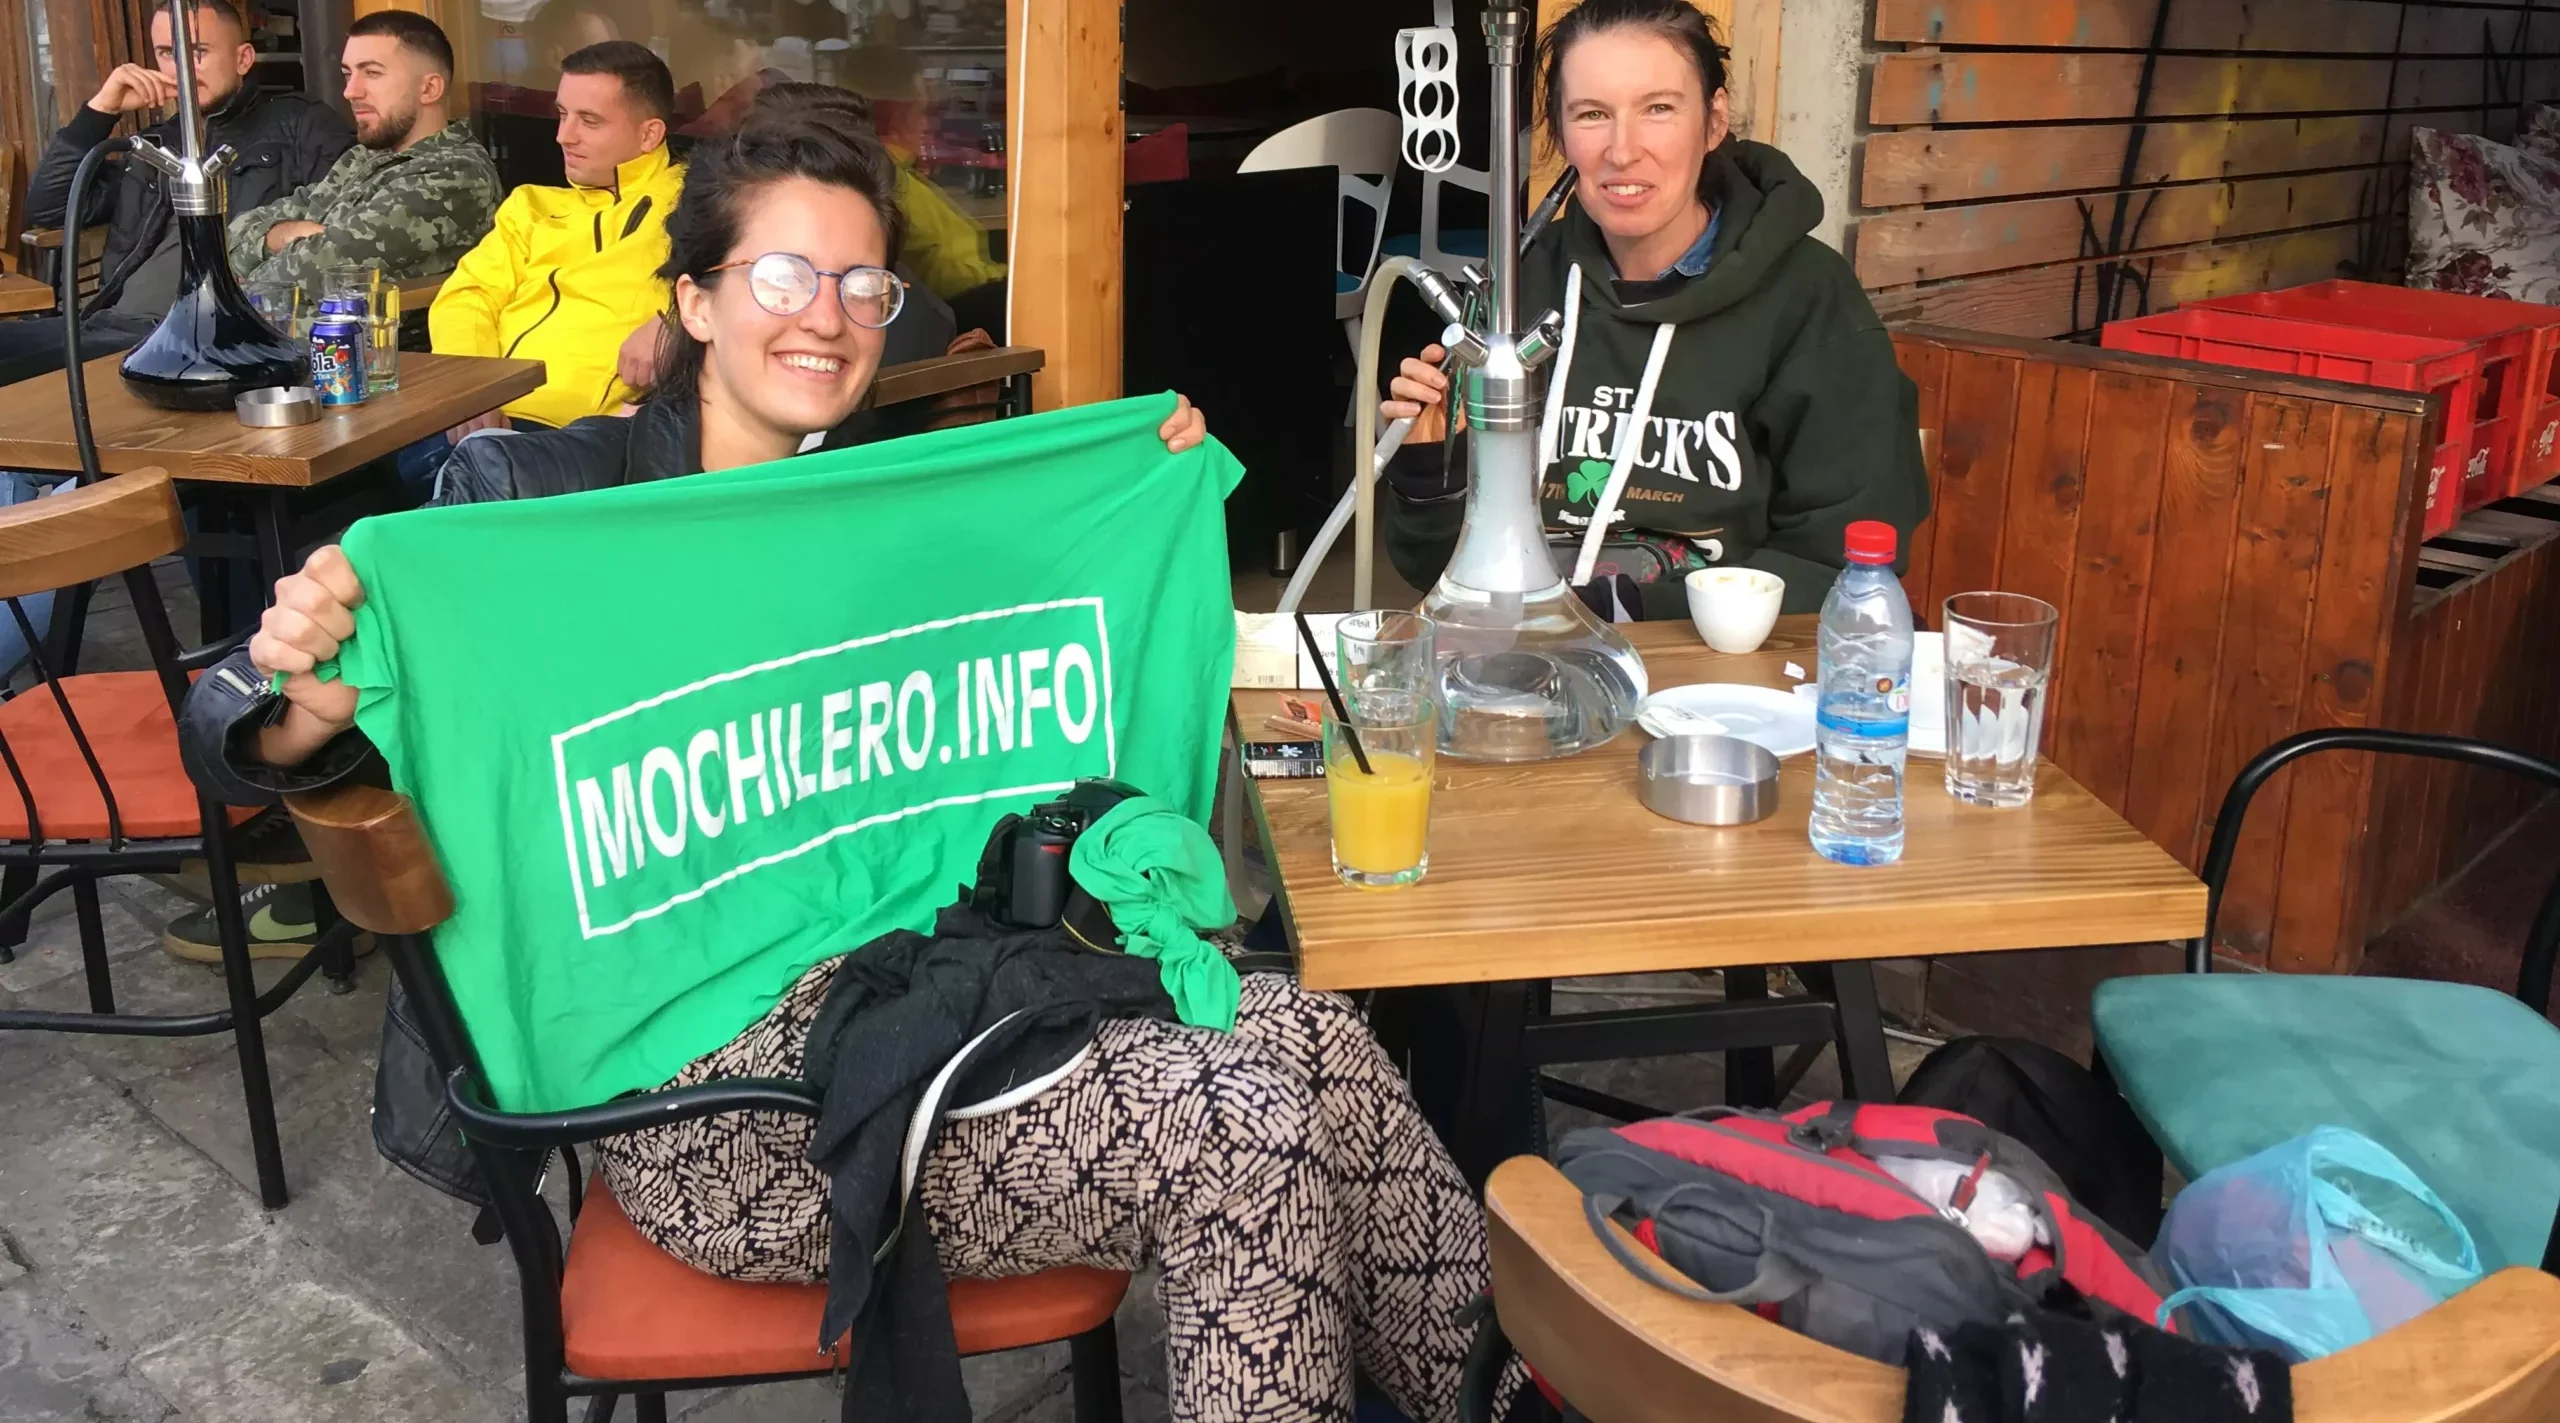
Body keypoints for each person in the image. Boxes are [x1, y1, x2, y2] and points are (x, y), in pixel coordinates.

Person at [178, 107, 1504, 1423]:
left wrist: (1133, 479)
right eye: (781, 276)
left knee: (1322, 1043)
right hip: (712, 1105)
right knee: (1242, 1128)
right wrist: (296, 698)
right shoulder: (535, 503)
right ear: (695, 302)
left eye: (863, 285)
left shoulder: (879, 511)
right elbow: (227, 737)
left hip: (928, 993)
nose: (827, 316)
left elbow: (1043, 584)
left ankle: (1496, 1398)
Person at [1378, 0, 1927, 617]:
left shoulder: (1809, 297)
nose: (1623, 150)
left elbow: (1841, 569)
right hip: (1525, 648)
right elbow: (1434, 568)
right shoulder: (1515, 287)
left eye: (1658, 108)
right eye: (1592, 114)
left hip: (1716, 659)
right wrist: (1428, 469)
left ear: (1714, 121)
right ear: (1561, 134)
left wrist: (1621, 611)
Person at [1, 0, 353, 385]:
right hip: (108, 324)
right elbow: (50, 208)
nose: (181, 68)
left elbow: (346, 216)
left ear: (243, 59)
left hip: (200, 337)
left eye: (197, 52)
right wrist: (101, 110)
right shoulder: (154, 142)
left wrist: (281, 233)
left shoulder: (299, 125)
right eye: (168, 53)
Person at [428, 40, 688, 445]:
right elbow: (467, 295)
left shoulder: (695, 202)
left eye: (590, 121)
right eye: (563, 115)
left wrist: (677, 320)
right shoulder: (532, 206)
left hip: (585, 434)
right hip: (482, 415)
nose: (563, 136)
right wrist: (476, 386)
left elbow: (755, 273)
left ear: (648, 134)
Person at [224, 11, 503, 291]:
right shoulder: (363, 157)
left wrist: (247, 267)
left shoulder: (456, 177)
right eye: (348, 74)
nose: (350, 91)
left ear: (429, 88)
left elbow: (311, 269)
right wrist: (284, 235)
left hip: (346, 323)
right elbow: (234, 233)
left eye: (372, 73)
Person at [835, 44, 1006, 326]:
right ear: (896, 115)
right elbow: (948, 276)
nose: (928, 124)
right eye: (921, 111)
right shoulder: (885, 181)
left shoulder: (897, 172)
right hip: (962, 311)